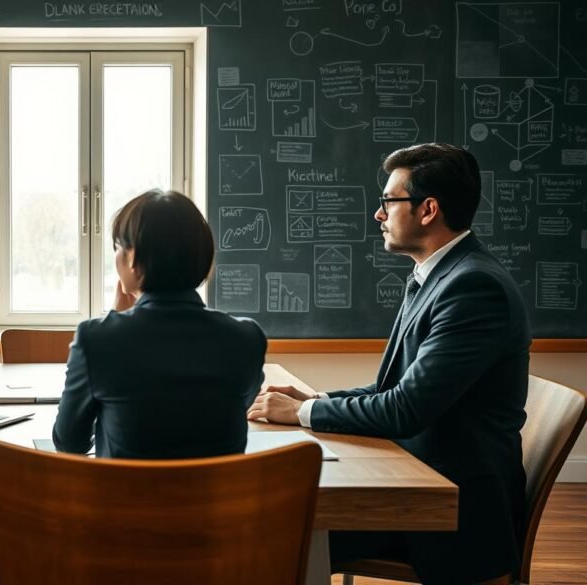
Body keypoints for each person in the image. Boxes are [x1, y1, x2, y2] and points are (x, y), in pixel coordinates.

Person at [248, 144, 529, 585]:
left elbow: (405, 409)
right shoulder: (435, 275)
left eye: (388, 201)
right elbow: (392, 389)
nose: (379, 215)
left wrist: (302, 413)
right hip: (419, 482)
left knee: (273, 530)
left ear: (428, 209)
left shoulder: (473, 287)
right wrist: (317, 399)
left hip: (451, 512)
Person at [53, 189, 267, 459]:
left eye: (118, 246)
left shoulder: (97, 339)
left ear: (132, 259)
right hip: (216, 501)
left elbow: (69, 443)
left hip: (124, 500)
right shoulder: (247, 338)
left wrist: (113, 321)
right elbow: (234, 406)